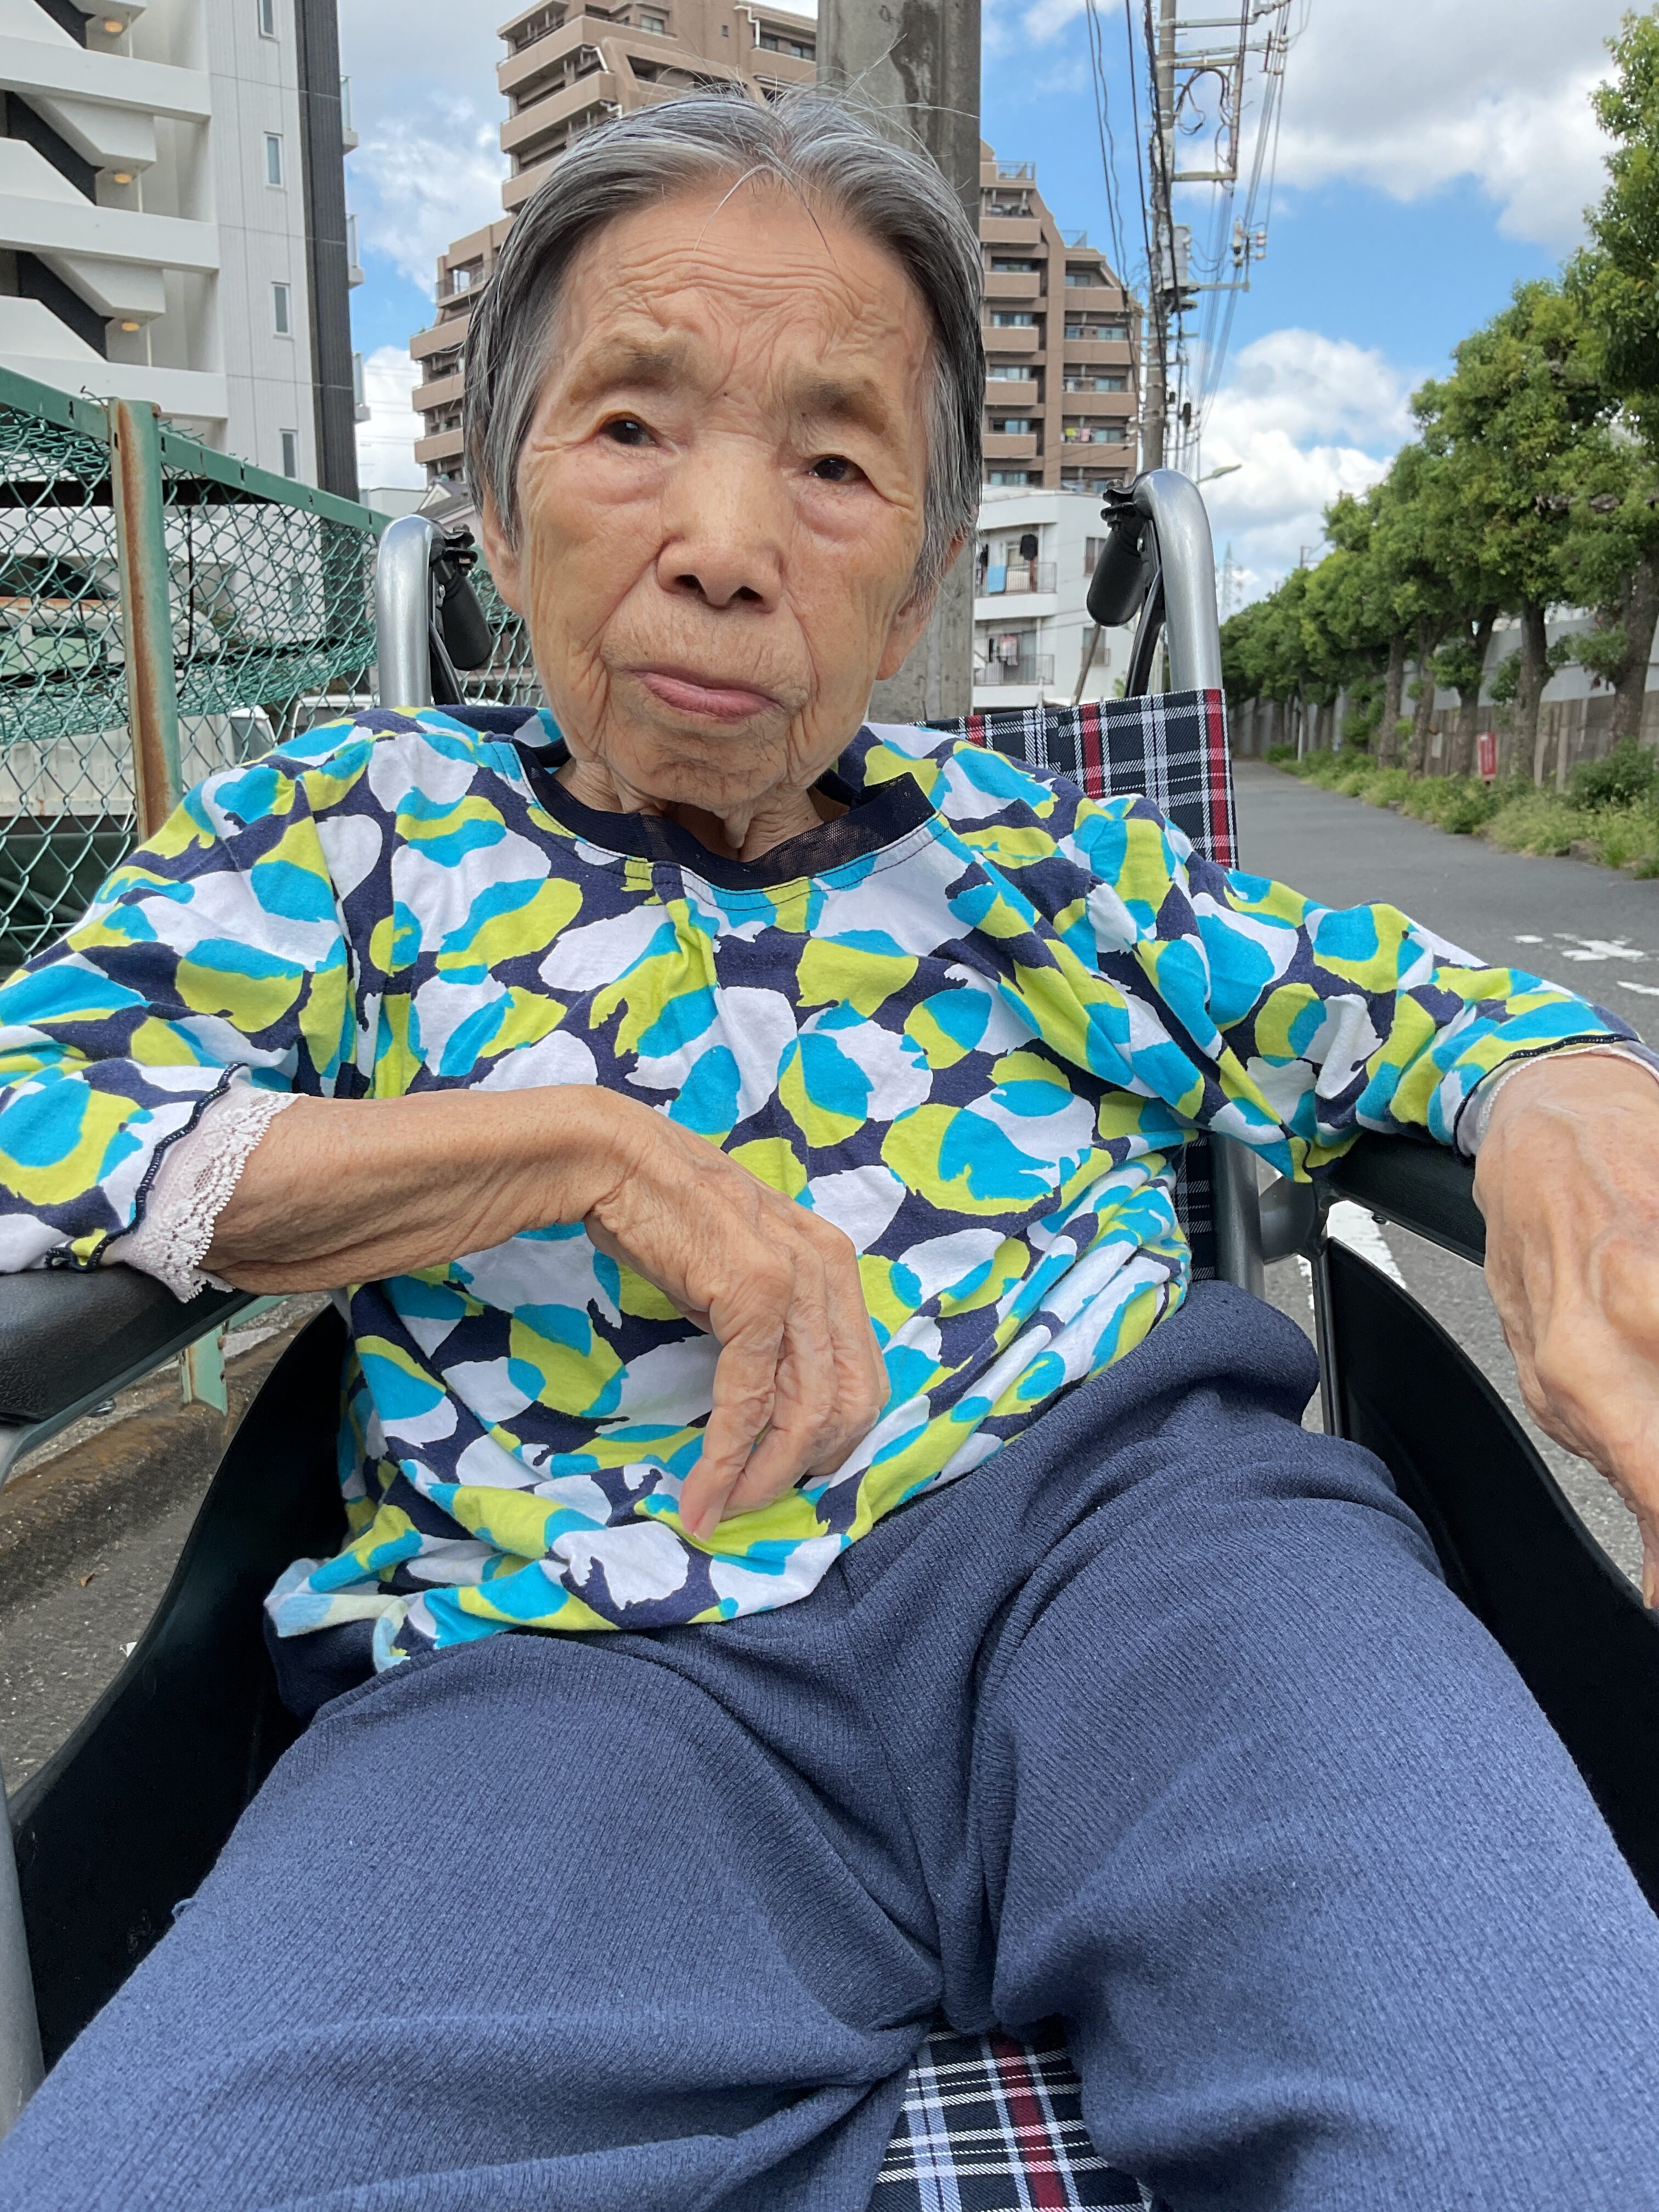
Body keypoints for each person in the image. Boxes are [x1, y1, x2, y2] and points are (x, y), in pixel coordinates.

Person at [0, 90, 1656, 2212]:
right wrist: (574, 1151)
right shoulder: (345, 831)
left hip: (1143, 1566)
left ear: (919, 586)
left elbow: (1405, 1008)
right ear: (497, 505)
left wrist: (1571, 1095)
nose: (723, 541)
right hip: (562, 1667)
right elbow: (42, 1113)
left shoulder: (1029, 850)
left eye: (837, 464)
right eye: (629, 425)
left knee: (1554, 2130)